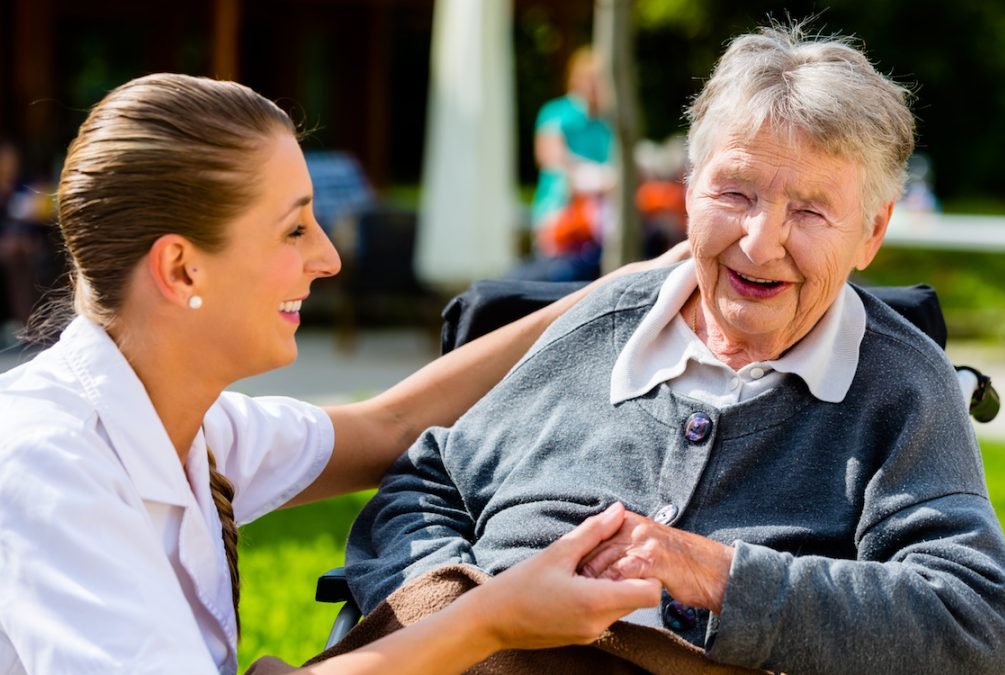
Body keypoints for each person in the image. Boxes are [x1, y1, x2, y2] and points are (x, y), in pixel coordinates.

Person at [344, 24, 1005, 674]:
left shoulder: (899, 385)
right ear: (689, 189)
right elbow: (426, 479)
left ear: (872, 232)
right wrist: (446, 614)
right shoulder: (601, 326)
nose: (760, 242)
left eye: (810, 211)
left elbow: (972, 619)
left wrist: (717, 576)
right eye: (735, 191)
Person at [0, 73, 683, 675]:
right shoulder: (50, 465)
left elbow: (391, 424)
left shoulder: (189, 424)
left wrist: (628, 288)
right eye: (294, 230)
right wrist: (492, 616)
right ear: (182, 270)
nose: (327, 258)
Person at [519, 46, 615, 282]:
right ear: (577, 79)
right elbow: (550, 156)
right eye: (592, 79)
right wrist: (596, 176)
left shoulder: (608, 122)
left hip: (599, 217)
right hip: (560, 210)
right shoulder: (556, 113)